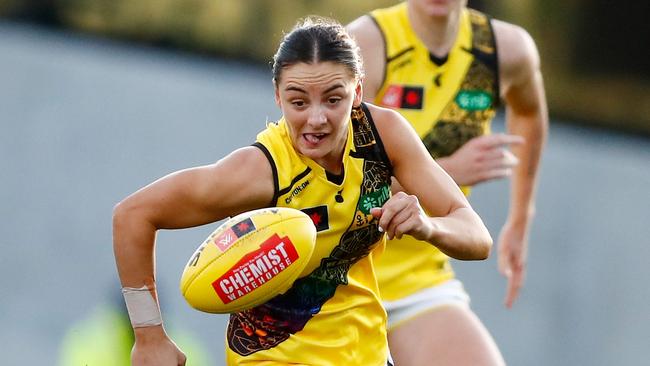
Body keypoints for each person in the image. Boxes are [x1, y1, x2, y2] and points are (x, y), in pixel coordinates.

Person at [112, 16, 493, 366]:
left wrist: (428, 226)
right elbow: (133, 215)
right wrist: (148, 337)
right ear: (278, 97)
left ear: (357, 92)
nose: (316, 119)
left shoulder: (384, 136)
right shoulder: (258, 171)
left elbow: (476, 236)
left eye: (333, 98)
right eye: (298, 101)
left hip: (367, 355)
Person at [347, 1, 548, 365]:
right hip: (340, 277)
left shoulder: (504, 51)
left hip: (418, 279)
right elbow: (341, 185)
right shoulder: (365, 45)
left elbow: (529, 112)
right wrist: (450, 170)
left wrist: (521, 216)